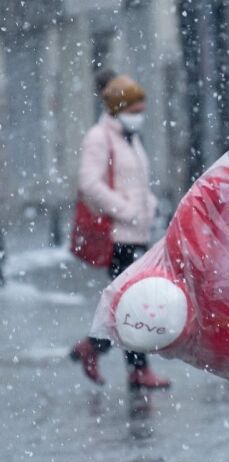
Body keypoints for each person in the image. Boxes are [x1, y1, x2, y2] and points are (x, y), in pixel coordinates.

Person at [69, 72, 171, 390]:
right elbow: (89, 183)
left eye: (142, 111)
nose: (140, 117)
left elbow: (135, 181)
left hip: (136, 233)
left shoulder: (130, 137)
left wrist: (149, 203)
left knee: (130, 304)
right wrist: (126, 210)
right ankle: (128, 365)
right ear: (118, 108)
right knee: (132, 305)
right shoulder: (100, 137)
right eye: (134, 111)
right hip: (116, 237)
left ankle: (99, 349)